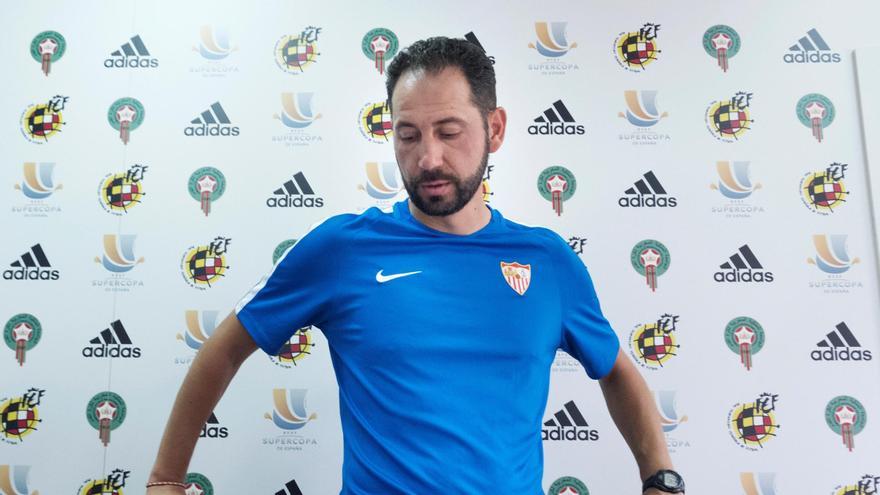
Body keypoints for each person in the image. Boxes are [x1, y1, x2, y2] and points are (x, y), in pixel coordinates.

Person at [147, 37, 683, 494]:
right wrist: (165, 482)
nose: (428, 158)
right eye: (408, 135)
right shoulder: (343, 249)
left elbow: (616, 372)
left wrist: (661, 478)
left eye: (449, 132)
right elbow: (224, 348)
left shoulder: (548, 260)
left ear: (494, 129)